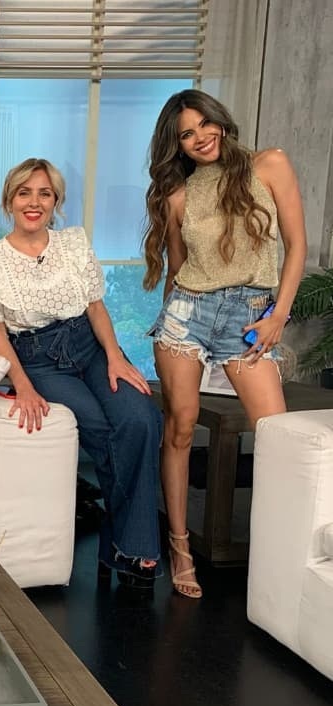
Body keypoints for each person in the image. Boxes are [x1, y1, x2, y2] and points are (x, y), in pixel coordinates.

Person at [0, 158, 163, 589]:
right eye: (24, 193)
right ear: (9, 201)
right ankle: (132, 547)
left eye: (45, 194)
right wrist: (22, 385)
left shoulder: (73, 244)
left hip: (90, 347)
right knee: (103, 432)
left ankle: (122, 544)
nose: (34, 202)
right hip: (37, 358)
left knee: (142, 417)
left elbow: (96, 307)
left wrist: (116, 356)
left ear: (56, 202)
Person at [143, 89, 306, 599]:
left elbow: (298, 245)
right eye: (186, 135)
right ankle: (180, 548)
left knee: (275, 436)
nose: (199, 138)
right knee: (181, 428)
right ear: (177, 146)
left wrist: (279, 315)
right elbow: (176, 269)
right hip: (188, 314)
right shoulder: (179, 195)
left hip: (250, 314)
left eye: (203, 125)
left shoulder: (269, 164)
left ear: (220, 120)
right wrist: (166, 323)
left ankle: (284, 550)